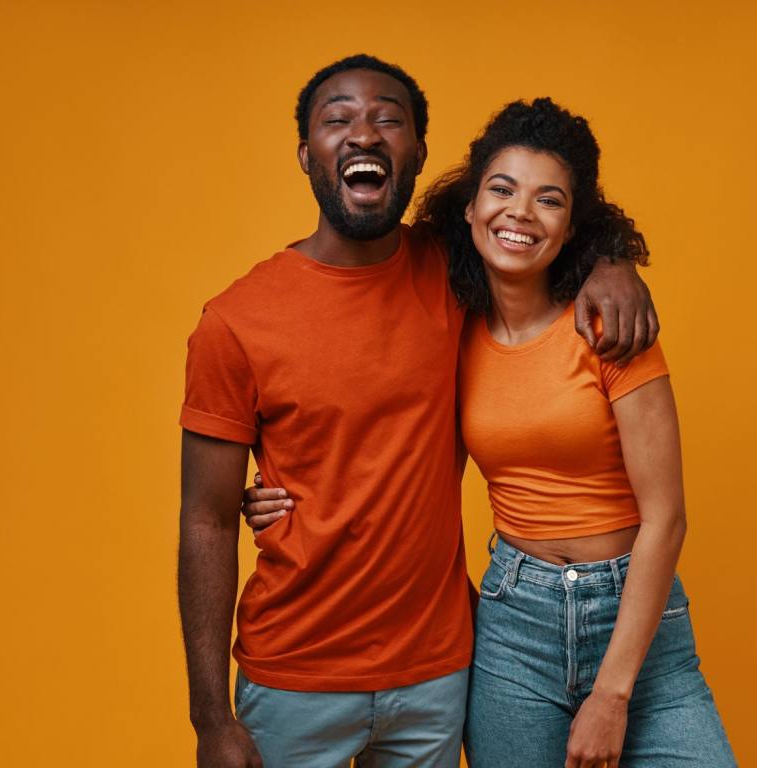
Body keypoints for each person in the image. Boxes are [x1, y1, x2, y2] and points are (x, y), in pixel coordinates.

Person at [179, 55, 659, 768]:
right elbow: (205, 519)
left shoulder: (452, 271)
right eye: (337, 119)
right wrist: (211, 719)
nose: (364, 134)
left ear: (419, 155)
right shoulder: (236, 322)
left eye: (389, 120)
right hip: (294, 675)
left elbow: (532, 229)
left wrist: (614, 258)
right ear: (308, 154)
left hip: (437, 675)